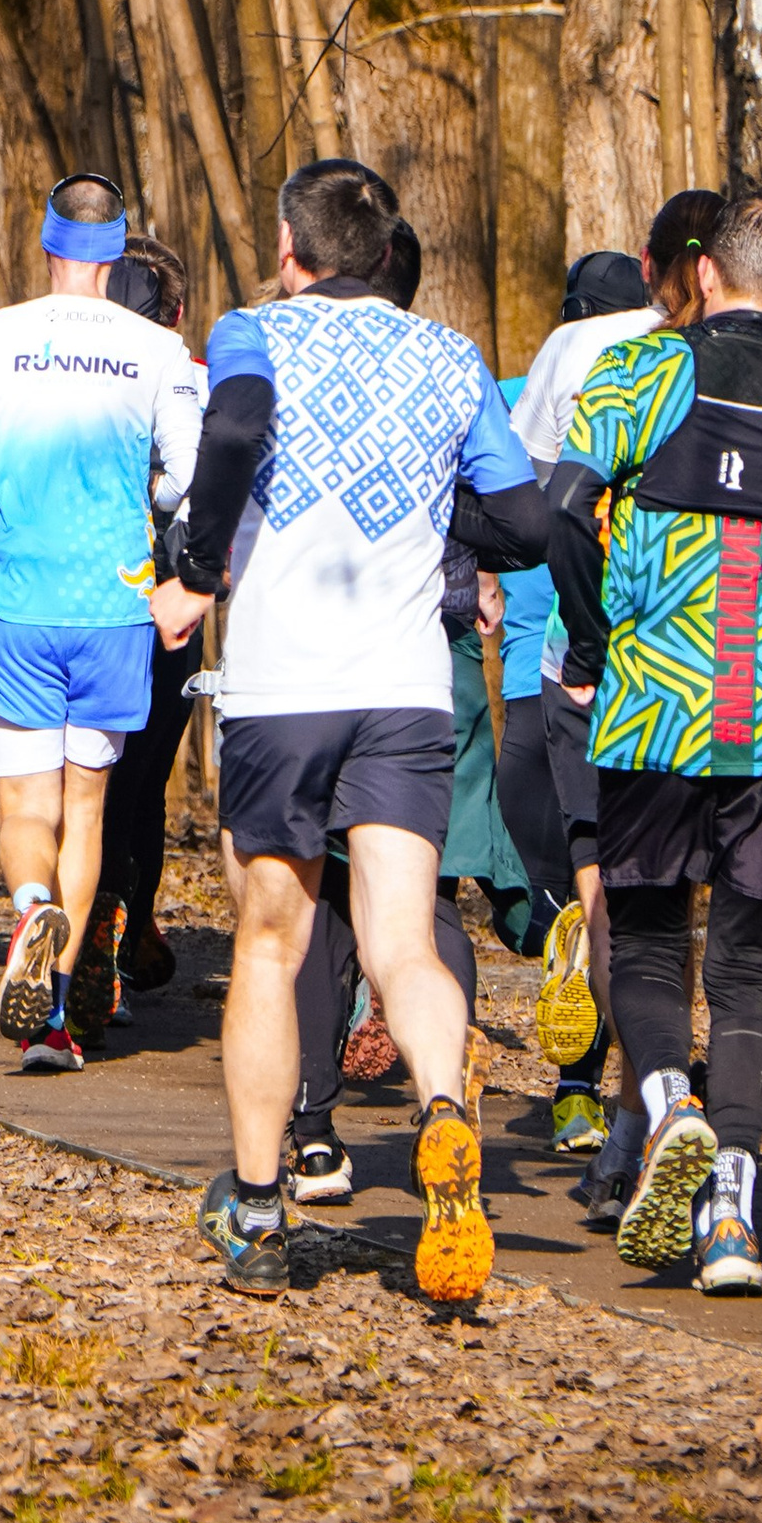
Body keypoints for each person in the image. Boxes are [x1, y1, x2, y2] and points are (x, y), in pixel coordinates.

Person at [154, 159, 550, 1300]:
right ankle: (439, 1113)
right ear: (384, 255)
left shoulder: (250, 329)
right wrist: (434, 504)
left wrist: (195, 562)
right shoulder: (449, 354)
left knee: (271, 948)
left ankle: (261, 1209)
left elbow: (232, 432)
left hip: (285, 687)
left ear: (290, 245)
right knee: (405, 946)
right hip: (405, 689)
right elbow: (521, 519)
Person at [547, 184, 762, 1294]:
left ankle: (664, 1103)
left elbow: (563, 511)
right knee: (747, 976)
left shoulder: (632, 376)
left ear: (703, 276)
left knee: (647, 943)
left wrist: (587, 647)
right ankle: (731, 1213)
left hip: (652, 713)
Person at [0, 173, 205, 1070]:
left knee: (23, 803)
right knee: (89, 810)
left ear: (48, 246)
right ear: (117, 252)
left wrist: (2, 474)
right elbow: (185, 477)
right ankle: (54, 1016)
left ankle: (28, 910)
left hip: (19, 599)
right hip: (115, 604)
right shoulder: (157, 347)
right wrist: (142, 488)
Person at [500, 231, 694, 1158]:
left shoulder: (566, 364)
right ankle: (637, 1107)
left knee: (580, 888)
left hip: (562, 666)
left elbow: (535, 502)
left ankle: (585, 1061)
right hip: (685, 668)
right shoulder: (718, 374)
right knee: (661, 909)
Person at [89, 234, 205, 1026]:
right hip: (174, 605)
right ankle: (125, 929)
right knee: (144, 784)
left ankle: (103, 930)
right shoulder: (199, 381)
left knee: (93, 777)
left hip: (84, 600)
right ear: (181, 311)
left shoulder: (77, 374)